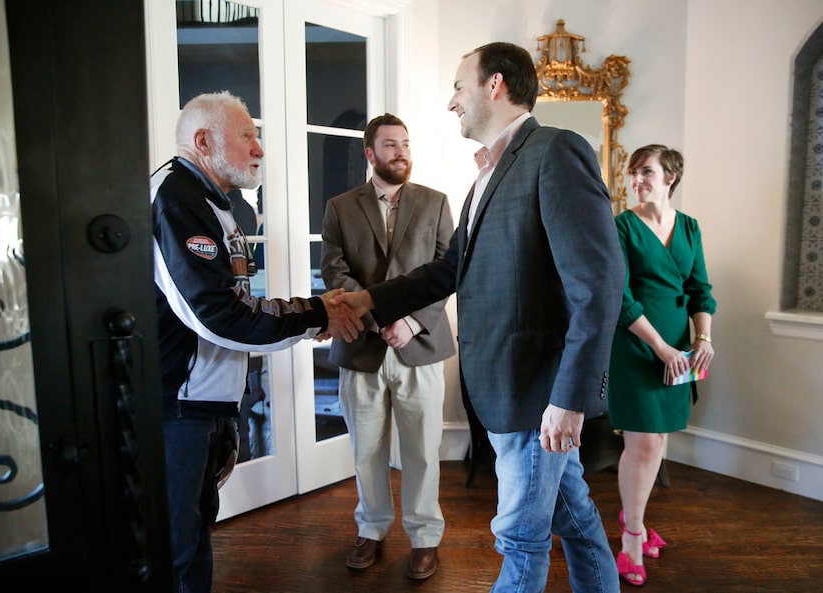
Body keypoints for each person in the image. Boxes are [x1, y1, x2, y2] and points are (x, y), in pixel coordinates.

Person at [334, 42, 624, 593]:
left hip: (538, 395)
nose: (451, 102)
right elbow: (447, 271)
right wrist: (369, 301)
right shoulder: (485, 177)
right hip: (504, 390)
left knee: (518, 537)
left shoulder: (556, 151)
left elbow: (600, 286)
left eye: (458, 87)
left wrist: (569, 399)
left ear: (495, 85)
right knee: (576, 518)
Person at [150, 90, 362, 593]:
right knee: (177, 548)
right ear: (203, 141)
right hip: (176, 407)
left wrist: (312, 310)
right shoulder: (178, 201)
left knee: (197, 531)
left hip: (206, 401)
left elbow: (234, 298)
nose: (259, 149)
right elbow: (220, 314)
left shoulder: (210, 201)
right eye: (247, 135)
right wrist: (317, 312)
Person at [320, 113, 456, 580]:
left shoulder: (437, 204)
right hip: (362, 345)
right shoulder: (339, 207)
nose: (401, 152)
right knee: (366, 449)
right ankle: (372, 528)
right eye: (390, 145)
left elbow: (448, 271)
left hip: (420, 346)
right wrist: (380, 318)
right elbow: (335, 273)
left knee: (421, 450)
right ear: (370, 153)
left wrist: (413, 321)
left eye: (406, 144)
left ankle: (423, 537)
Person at [607, 144, 716, 587]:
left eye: (646, 172)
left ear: (670, 177)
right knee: (645, 445)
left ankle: (638, 517)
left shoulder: (689, 228)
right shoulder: (621, 227)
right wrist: (660, 348)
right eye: (633, 174)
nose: (637, 181)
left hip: (679, 350)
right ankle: (632, 536)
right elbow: (620, 296)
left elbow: (700, 290)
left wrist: (702, 337)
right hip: (637, 347)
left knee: (660, 442)